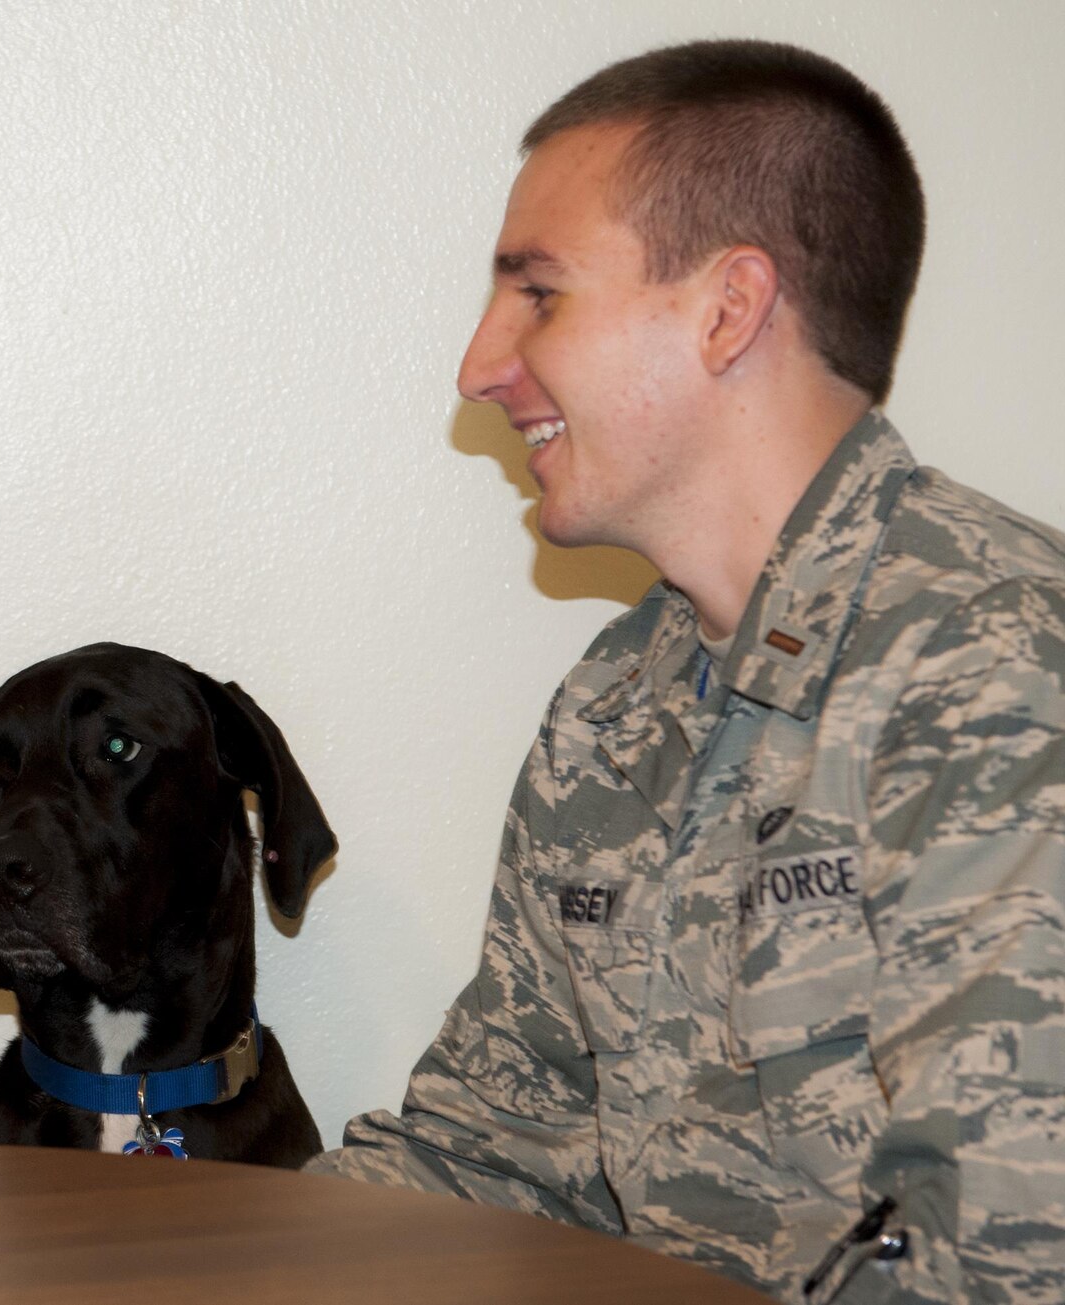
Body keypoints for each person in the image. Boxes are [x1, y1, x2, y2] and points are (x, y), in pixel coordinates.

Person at [308, 39, 1065, 1304]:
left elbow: (1002, 1251)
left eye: (537, 292)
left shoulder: (994, 665)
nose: (479, 365)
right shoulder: (614, 708)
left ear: (726, 309)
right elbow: (492, 1156)